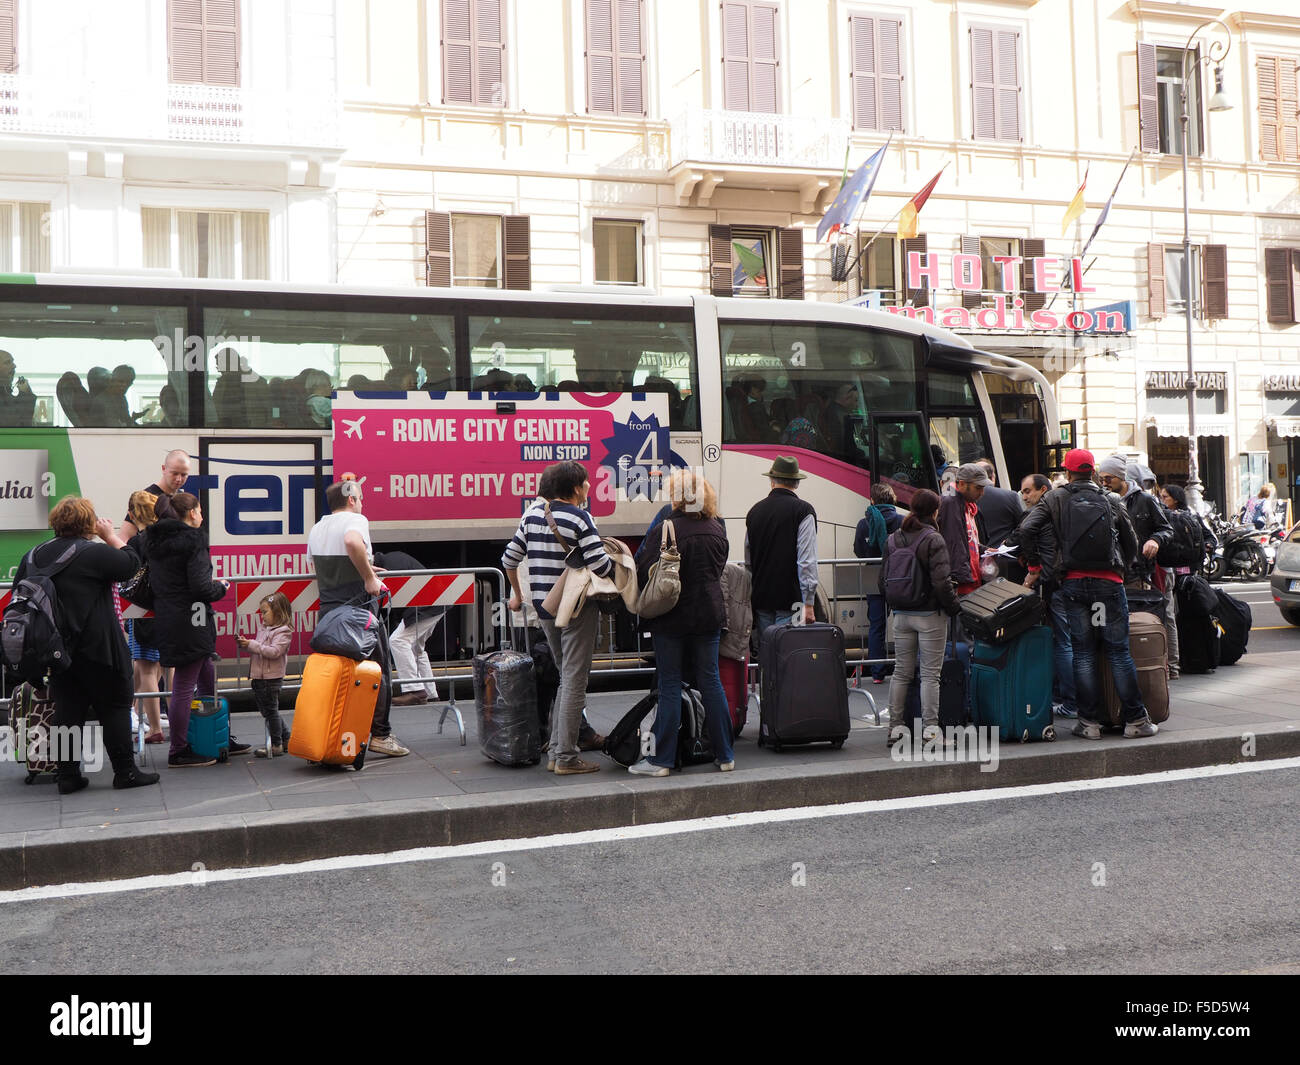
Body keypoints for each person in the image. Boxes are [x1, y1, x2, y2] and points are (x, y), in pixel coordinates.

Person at [12, 497, 161, 792]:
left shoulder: (32, 556)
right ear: (88, 523)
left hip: (56, 651)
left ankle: (67, 777)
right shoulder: (92, 553)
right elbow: (132, 564)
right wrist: (110, 536)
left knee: (68, 709)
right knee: (115, 706)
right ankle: (125, 772)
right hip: (100, 647)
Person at [1018, 448, 1159, 739]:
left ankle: (1089, 723)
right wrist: (1123, 567)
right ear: (1093, 471)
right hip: (1109, 582)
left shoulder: (1055, 498)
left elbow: (1026, 529)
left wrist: (1035, 565)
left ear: (1068, 472)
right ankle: (1135, 720)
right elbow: (1131, 539)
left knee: (1082, 653)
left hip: (1073, 582)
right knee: (1118, 652)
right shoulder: (1110, 499)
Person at [502, 461, 612, 775]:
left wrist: (518, 595)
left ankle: (554, 752)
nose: (590, 487)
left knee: (566, 677)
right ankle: (566, 758)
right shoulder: (580, 517)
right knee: (576, 681)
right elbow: (601, 566)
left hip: (546, 607)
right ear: (575, 488)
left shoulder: (532, 515)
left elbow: (509, 558)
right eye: (587, 483)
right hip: (576, 607)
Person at [628, 470, 736, 777]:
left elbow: (643, 566)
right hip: (710, 615)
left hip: (672, 617)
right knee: (711, 682)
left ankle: (661, 761)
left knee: (671, 684)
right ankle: (726, 754)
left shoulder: (668, 527)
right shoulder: (717, 528)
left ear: (677, 496)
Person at [306, 476, 410, 758]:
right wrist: (368, 578)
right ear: (351, 499)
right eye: (360, 498)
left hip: (329, 612)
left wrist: (367, 567)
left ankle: (336, 735)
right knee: (378, 670)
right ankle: (380, 735)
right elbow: (352, 541)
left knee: (340, 674)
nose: (362, 503)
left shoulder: (317, 528)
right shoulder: (356, 521)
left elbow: (320, 566)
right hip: (358, 612)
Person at [146, 492, 250, 766]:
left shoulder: (154, 540)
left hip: (171, 615)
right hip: (193, 617)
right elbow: (201, 587)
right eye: (200, 510)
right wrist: (222, 587)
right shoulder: (193, 541)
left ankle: (216, 736)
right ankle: (178, 750)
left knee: (206, 674)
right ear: (191, 513)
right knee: (184, 684)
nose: (202, 515)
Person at [883, 489, 960, 747]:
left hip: (901, 614)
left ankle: (895, 728)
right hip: (929, 615)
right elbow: (941, 582)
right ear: (935, 511)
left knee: (901, 672)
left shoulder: (894, 538)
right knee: (930, 675)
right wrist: (954, 607)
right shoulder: (933, 539)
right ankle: (931, 731)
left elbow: (883, 580)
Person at [1016, 472, 1076, 718]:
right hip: (1075, 577)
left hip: (1056, 581)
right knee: (1068, 640)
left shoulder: (1046, 508)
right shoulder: (1071, 505)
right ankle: (1067, 697)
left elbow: (1026, 531)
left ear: (1043, 490)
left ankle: (1069, 701)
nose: (1024, 496)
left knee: (1063, 642)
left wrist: (1033, 568)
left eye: (1028, 490)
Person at [745, 455, 819, 646]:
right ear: (796, 483)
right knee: (789, 655)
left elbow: (749, 561)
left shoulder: (754, 512)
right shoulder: (803, 511)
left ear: (771, 481)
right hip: (792, 600)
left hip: (761, 600)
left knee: (768, 656)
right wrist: (809, 603)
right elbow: (806, 560)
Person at [121, 489, 167, 744]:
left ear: (131, 514)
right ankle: (148, 715)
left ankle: (155, 728)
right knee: (161, 666)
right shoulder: (165, 538)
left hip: (143, 614)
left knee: (145, 668)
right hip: (167, 611)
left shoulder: (136, 543)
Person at [374, 549, 442, 706]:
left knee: (398, 641)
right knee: (416, 649)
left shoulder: (386, 569)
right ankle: (430, 693)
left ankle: (414, 690)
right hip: (437, 601)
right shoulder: (395, 558)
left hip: (427, 604)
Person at [854, 483, 902, 684]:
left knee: (876, 625)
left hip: (873, 576)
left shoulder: (864, 523)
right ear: (893, 499)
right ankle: (903, 670)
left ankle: (877, 673)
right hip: (899, 576)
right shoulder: (902, 520)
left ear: (872, 500)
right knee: (902, 623)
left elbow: (858, 549)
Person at [237, 592, 293, 757]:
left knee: (271, 711)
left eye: (265, 612)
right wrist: (246, 645)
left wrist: (253, 645)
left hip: (271, 678)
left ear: (278, 612)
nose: (262, 616)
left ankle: (276, 744)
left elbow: (274, 652)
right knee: (268, 711)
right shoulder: (264, 629)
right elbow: (259, 648)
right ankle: (286, 738)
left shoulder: (284, 632)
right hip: (259, 677)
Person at [938, 462, 988, 597]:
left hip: (968, 578)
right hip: (961, 584)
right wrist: (961, 578)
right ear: (961, 484)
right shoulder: (951, 502)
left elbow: (966, 539)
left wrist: (983, 549)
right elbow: (954, 542)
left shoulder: (965, 504)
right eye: (978, 488)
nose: (982, 493)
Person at [121, 449, 191, 539]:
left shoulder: (183, 499)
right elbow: (124, 537)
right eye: (175, 473)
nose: (179, 479)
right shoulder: (145, 498)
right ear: (163, 469)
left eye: (183, 475)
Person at [974, 458, 1024, 578]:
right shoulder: (1010, 496)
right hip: (1003, 562)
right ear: (993, 477)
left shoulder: (966, 500)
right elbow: (1022, 527)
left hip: (974, 562)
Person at [0, 349, 37, 427]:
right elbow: (11, 424)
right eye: (7, 363)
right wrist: (25, 396)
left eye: (12, 362)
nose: (14, 366)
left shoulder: (6, 393)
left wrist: (27, 394)